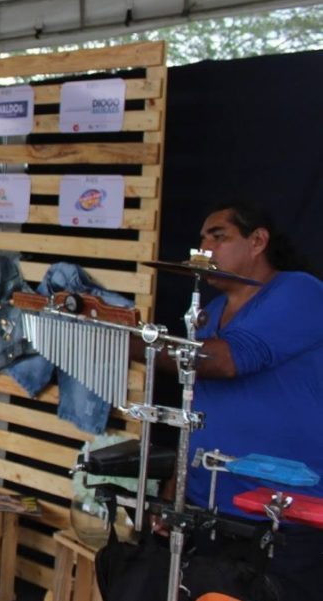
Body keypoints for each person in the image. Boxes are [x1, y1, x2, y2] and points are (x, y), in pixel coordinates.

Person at [156, 200, 323, 601]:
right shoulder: (209, 313)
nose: (204, 247)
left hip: (281, 512)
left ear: (258, 241)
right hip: (209, 504)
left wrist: (131, 343)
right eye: (201, 239)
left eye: (218, 236)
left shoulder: (300, 290)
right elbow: (198, 410)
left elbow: (231, 361)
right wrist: (173, 490)